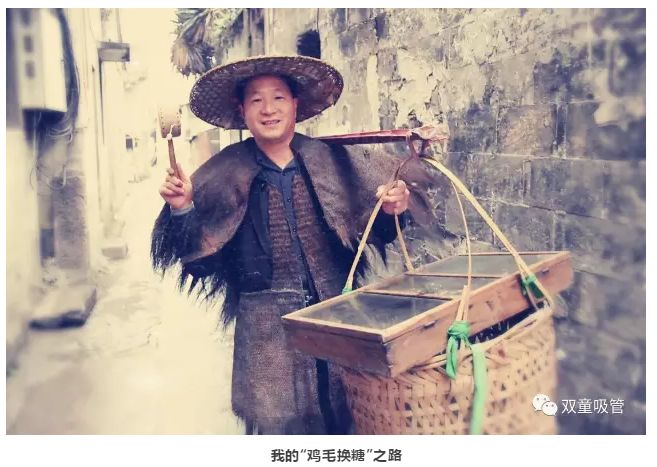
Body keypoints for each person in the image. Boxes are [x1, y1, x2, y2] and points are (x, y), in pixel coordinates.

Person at [150, 55, 430, 435]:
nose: (269, 109)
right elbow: (200, 262)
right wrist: (183, 208)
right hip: (265, 333)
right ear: (242, 110)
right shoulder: (222, 173)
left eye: (279, 97)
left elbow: (374, 230)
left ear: (295, 105)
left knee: (351, 417)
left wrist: (392, 209)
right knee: (281, 431)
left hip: (338, 315)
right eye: (256, 100)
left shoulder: (332, 159)